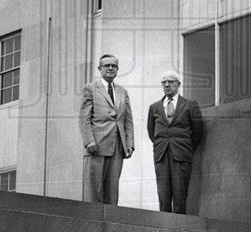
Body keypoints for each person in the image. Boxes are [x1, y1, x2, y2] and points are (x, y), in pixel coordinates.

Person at [79, 54, 134, 205]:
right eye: (107, 66)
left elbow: (127, 119)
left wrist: (129, 144)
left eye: (114, 66)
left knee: (112, 192)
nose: (110, 68)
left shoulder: (122, 91)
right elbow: (84, 118)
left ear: (117, 69)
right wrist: (89, 141)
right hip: (96, 146)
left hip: (117, 147)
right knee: (93, 192)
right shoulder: (90, 88)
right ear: (99, 68)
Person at [147, 70, 204, 214]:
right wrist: (162, 145)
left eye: (170, 82)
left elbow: (198, 131)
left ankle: (180, 231)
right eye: (164, 82)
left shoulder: (190, 105)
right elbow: (151, 131)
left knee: (180, 196)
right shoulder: (154, 107)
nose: (167, 85)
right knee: (163, 196)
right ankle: (165, 231)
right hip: (161, 155)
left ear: (178, 84)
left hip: (181, 155)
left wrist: (186, 148)